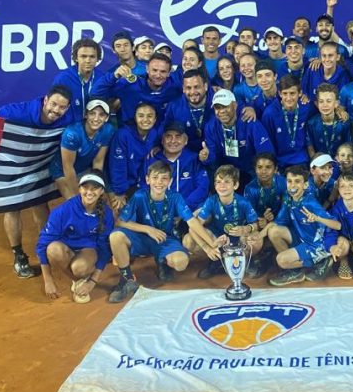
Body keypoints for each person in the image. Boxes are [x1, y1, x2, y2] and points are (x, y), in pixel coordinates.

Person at [0, 85, 75, 278]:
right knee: (12, 207)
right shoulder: (20, 112)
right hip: (13, 165)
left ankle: (48, 245)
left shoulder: (69, 118)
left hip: (38, 165)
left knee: (40, 204)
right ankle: (19, 256)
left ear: (67, 108)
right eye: (53, 104)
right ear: (45, 100)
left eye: (61, 107)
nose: (56, 110)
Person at [108, 161, 194, 302]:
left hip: (165, 238)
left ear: (170, 181)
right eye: (155, 178)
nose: (159, 182)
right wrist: (147, 229)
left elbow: (192, 222)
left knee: (181, 263)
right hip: (142, 238)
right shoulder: (140, 196)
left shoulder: (175, 197)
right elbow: (120, 221)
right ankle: (126, 279)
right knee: (116, 236)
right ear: (147, 179)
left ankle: (163, 262)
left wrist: (208, 245)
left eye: (164, 178)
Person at [253, 164, 341, 286]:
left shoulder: (310, 202)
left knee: (281, 260)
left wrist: (318, 218)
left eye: (297, 181)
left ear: (305, 185)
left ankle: (319, 261)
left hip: (315, 245)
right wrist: (258, 236)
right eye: (289, 181)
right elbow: (276, 223)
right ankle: (295, 271)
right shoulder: (288, 199)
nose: (293, 185)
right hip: (301, 237)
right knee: (273, 231)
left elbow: (337, 225)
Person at [35, 169, 113, 303]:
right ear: (79, 188)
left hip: (88, 250)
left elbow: (104, 248)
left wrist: (93, 281)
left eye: (94, 188)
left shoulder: (107, 213)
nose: (89, 192)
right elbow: (42, 244)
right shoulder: (63, 211)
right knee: (52, 249)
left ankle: (82, 276)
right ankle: (77, 281)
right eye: (85, 187)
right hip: (65, 248)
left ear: (101, 191)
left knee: (79, 268)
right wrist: (48, 280)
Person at [186, 164, 260, 279]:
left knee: (257, 238)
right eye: (218, 182)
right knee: (188, 240)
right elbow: (194, 228)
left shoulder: (243, 202)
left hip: (239, 239)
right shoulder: (211, 201)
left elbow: (256, 225)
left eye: (226, 182)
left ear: (235, 185)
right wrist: (207, 248)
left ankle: (245, 259)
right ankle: (216, 260)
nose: (222, 185)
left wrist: (246, 228)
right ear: (215, 185)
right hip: (217, 239)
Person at [199, 89, 274, 185]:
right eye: (217, 108)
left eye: (225, 106)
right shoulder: (211, 126)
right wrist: (207, 157)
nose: (222, 111)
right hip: (227, 170)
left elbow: (265, 152)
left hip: (251, 169)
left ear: (234, 105)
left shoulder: (249, 120)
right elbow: (213, 157)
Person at [50, 98, 116, 200]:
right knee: (76, 202)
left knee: (96, 200)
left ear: (107, 118)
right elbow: (68, 167)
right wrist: (78, 194)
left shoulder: (107, 130)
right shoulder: (72, 134)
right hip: (62, 171)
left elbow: (98, 162)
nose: (96, 118)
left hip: (84, 169)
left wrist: (96, 184)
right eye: (92, 113)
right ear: (86, 115)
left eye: (101, 115)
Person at [92, 52, 180, 123]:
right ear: (147, 69)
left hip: (159, 137)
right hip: (127, 135)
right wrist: (113, 76)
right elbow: (95, 92)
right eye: (154, 70)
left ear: (169, 73)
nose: (158, 75)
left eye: (163, 71)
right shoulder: (130, 84)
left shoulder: (174, 87)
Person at [143, 122, 209, 210]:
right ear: (162, 140)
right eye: (168, 136)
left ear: (186, 141)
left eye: (178, 137)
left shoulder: (194, 159)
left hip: (189, 210)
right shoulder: (152, 159)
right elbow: (144, 186)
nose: (173, 141)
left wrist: (183, 208)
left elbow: (202, 187)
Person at [107, 102, 159, 212]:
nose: (145, 119)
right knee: (118, 213)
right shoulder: (123, 135)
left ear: (155, 120)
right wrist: (119, 192)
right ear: (135, 118)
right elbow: (117, 165)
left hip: (137, 183)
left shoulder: (154, 134)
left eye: (150, 116)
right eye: (141, 116)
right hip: (116, 183)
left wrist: (158, 147)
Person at [243, 152, 287, 277]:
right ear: (255, 169)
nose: (263, 171)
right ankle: (258, 256)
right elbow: (249, 214)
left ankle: (276, 256)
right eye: (259, 167)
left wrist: (274, 219)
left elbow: (288, 209)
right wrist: (259, 219)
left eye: (268, 167)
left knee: (275, 232)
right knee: (250, 240)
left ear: (276, 169)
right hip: (260, 225)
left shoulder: (284, 183)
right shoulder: (250, 188)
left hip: (281, 223)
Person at [261, 74, 312, 167]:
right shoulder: (270, 113)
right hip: (280, 162)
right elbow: (268, 143)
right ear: (280, 93)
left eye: (292, 93)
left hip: (302, 159)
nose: (288, 98)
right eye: (285, 93)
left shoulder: (306, 108)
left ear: (300, 93)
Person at [51, 38, 103, 123]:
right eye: (83, 56)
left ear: (97, 59)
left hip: (95, 126)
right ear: (76, 58)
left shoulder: (102, 78)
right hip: (68, 127)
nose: (88, 60)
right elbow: (54, 107)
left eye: (92, 57)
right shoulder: (63, 79)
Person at [162, 69, 213, 153]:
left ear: (205, 86)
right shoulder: (174, 107)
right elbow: (164, 130)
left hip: (214, 153)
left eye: (196, 87)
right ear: (183, 89)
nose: (193, 92)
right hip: (185, 154)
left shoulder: (217, 104)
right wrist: (156, 145)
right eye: (188, 88)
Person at [306, 83, 351, 157]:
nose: (325, 105)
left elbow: (348, 146)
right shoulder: (311, 123)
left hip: (340, 161)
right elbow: (310, 148)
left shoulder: (344, 123)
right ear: (317, 104)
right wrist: (316, 161)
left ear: (336, 103)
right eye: (321, 101)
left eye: (329, 101)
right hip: (319, 162)